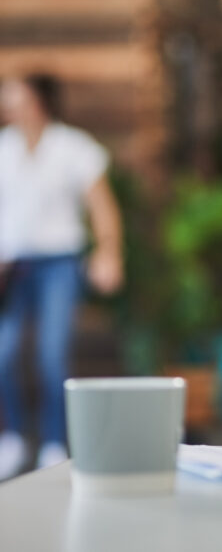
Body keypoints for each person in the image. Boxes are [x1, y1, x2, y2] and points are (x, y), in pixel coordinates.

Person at [0, 73, 123, 478]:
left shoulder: (73, 147)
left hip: (59, 264)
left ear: (38, 101)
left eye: (14, 96)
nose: (6, 103)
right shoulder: (4, 148)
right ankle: (14, 436)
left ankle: (54, 440)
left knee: (51, 354)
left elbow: (102, 205)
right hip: (13, 267)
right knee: (4, 353)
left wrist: (108, 251)